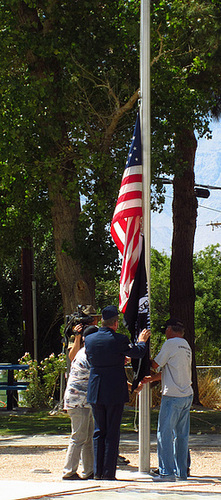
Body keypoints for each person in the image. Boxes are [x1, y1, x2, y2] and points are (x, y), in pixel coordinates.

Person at [85, 305, 150, 480]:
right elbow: (138, 352)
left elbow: (95, 358)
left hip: (96, 388)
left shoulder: (89, 339)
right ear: (115, 323)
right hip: (114, 389)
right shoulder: (119, 339)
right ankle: (108, 472)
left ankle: (97, 472)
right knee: (112, 432)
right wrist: (142, 341)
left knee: (99, 431)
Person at [137, 318, 193, 481]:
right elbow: (172, 371)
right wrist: (152, 379)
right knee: (181, 436)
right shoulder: (185, 345)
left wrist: (139, 354)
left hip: (172, 396)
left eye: (166, 330)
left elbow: (155, 364)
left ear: (170, 329)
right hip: (186, 395)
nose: (165, 333)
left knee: (165, 434)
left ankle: (166, 472)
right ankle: (181, 472)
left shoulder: (170, 344)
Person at [62, 306, 100, 480]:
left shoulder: (89, 350)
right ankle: (69, 471)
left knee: (88, 436)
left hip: (84, 399)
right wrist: (77, 336)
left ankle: (89, 470)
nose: (94, 320)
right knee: (79, 436)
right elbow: (72, 355)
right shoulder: (85, 351)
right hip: (78, 400)